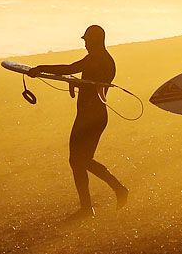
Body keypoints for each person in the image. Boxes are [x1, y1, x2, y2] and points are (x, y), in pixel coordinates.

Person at [25, 25, 129, 221]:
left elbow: (71, 68)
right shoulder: (103, 59)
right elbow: (88, 79)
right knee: (78, 160)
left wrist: (40, 69)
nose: (85, 43)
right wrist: (76, 83)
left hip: (91, 116)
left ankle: (113, 192)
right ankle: (91, 204)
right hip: (93, 115)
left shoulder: (97, 58)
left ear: (96, 40)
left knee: (80, 159)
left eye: (87, 40)